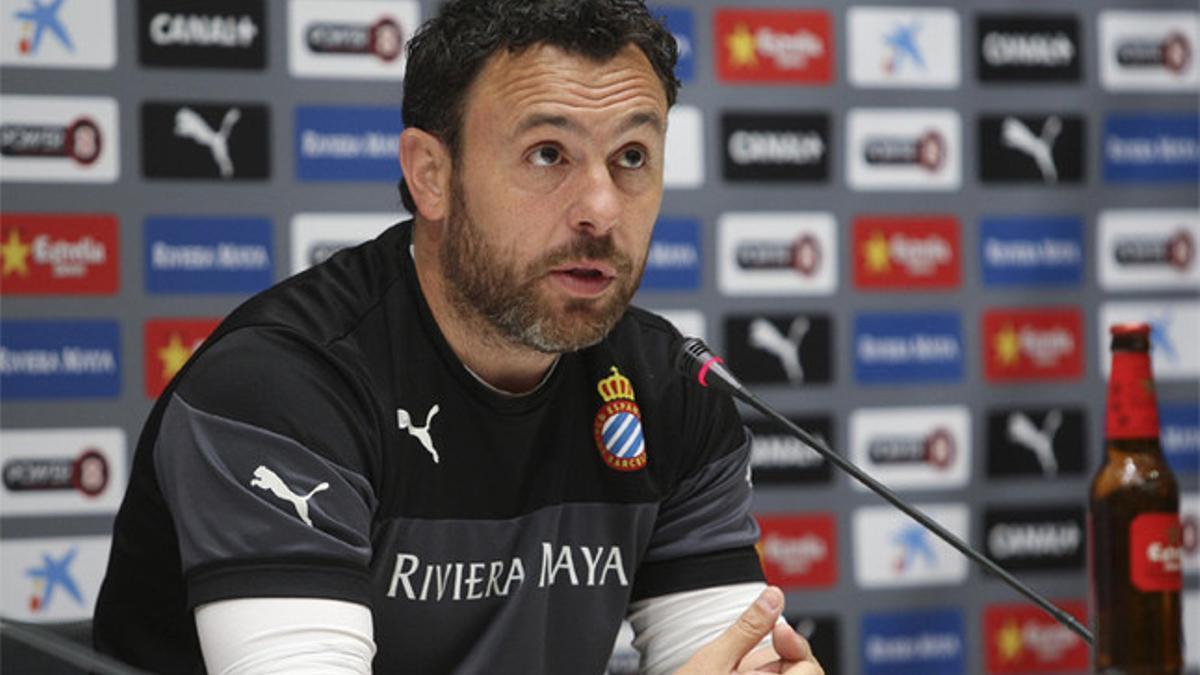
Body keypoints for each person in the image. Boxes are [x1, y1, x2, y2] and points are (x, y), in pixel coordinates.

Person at [93, 1, 823, 673]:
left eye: (631, 157)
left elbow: (727, 656)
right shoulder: (280, 388)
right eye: (548, 154)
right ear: (429, 175)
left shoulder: (669, 389)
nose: (601, 209)